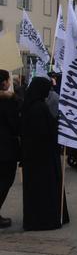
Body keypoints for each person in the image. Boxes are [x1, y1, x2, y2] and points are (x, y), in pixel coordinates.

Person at [21, 77, 69, 230]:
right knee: (45, 189)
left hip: (32, 156)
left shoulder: (28, 106)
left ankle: (36, 218)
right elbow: (45, 132)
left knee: (35, 190)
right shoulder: (39, 108)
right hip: (44, 156)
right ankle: (45, 219)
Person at [0, 69, 20, 228]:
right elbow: (15, 124)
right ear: (5, 82)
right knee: (5, 180)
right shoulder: (8, 101)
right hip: (5, 148)